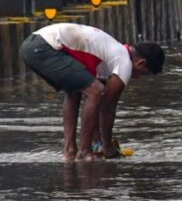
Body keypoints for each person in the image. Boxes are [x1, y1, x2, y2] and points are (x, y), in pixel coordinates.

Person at [20, 23, 164, 161]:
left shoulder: (109, 55)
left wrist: (98, 142)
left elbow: (96, 107)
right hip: (43, 47)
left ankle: (70, 151)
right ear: (141, 63)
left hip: (33, 45)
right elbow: (107, 108)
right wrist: (108, 147)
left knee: (76, 92)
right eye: (143, 73)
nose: (138, 77)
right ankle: (84, 152)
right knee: (96, 91)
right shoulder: (123, 61)